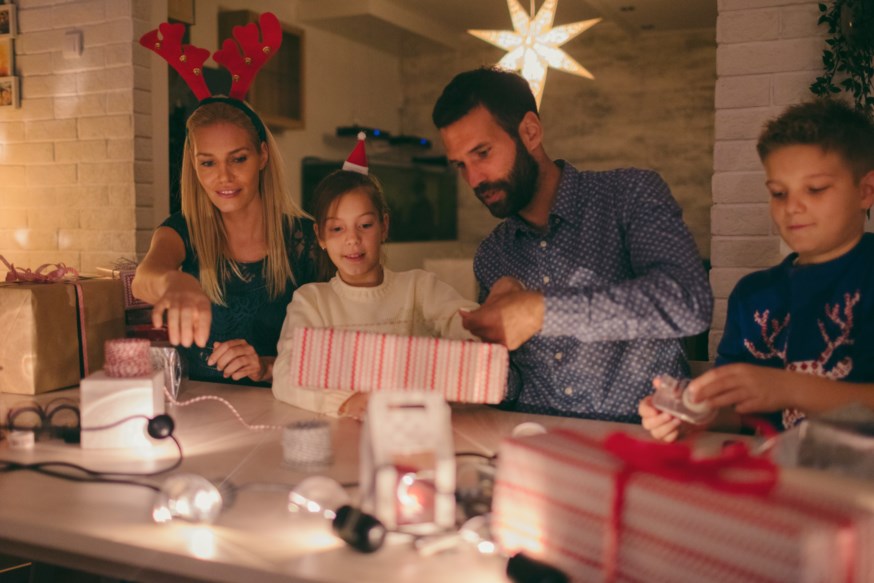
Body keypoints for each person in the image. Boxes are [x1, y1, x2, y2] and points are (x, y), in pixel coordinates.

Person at [431, 67, 713, 422]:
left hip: (643, 447)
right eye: (460, 165)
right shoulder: (493, 254)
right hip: (535, 450)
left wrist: (541, 312)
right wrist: (475, 366)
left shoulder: (628, 196)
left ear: (530, 132)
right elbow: (517, 385)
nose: (473, 179)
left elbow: (688, 300)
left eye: (483, 153)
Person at [640, 99, 874, 442]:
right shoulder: (754, 295)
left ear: (866, 191)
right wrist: (694, 413)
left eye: (816, 189)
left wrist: (789, 388)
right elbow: (742, 416)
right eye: (779, 193)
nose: (792, 206)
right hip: (781, 478)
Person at [132, 98, 319, 386]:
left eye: (238, 159)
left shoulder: (305, 240)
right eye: (208, 162)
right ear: (194, 167)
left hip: (280, 408)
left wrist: (267, 366)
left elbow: (330, 349)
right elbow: (144, 278)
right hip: (198, 412)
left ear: (263, 156)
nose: (224, 177)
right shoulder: (183, 230)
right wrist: (173, 283)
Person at [272, 166, 478, 419]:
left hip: (413, 427)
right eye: (337, 229)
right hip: (341, 435)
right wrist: (345, 401)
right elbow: (285, 374)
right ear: (320, 236)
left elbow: (470, 321)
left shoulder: (419, 288)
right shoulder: (312, 301)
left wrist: (470, 342)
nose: (353, 239)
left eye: (365, 225)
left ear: (384, 226)